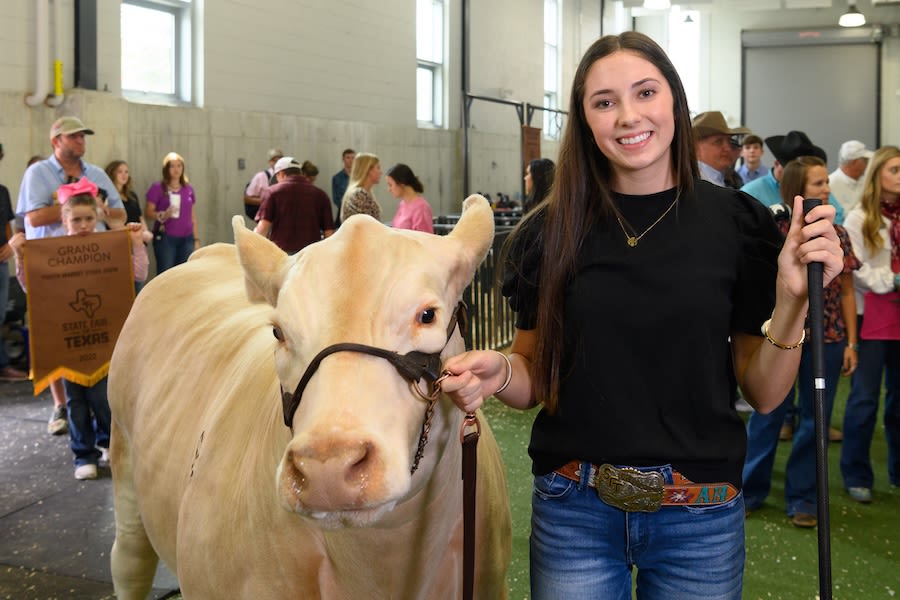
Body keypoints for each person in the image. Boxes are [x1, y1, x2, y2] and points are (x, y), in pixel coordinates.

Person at [439, 32, 841, 599]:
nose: (628, 116)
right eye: (604, 102)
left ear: (674, 102)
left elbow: (765, 392)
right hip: (574, 509)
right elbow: (532, 376)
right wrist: (501, 372)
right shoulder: (550, 233)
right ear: (585, 120)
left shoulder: (737, 225)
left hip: (700, 516)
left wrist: (794, 301)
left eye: (645, 92)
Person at [742, 156, 860, 528]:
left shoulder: (838, 234)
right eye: (817, 184)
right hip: (779, 332)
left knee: (816, 419)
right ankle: (750, 488)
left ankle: (803, 497)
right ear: (796, 191)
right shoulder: (772, 232)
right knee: (767, 414)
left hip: (827, 336)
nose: (826, 189)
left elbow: (845, 291)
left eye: (827, 182)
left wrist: (852, 341)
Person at [9, 177, 148, 480]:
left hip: (104, 341)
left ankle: (106, 443)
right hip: (68, 343)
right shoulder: (49, 252)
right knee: (76, 403)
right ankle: (82, 453)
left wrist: (136, 245)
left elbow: (137, 275)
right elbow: (32, 287)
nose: (83, 224)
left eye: (89, 218)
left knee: (103, 397)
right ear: (64, 220)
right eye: (76, 219)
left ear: (97, 217)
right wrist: (21, 256)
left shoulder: (111, 247)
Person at [17, 116, 127, 435]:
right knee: (56, 335)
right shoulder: (38, 173)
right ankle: (61, 404)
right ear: (56, 142)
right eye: (74, 137)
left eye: (83, 137)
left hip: (96, 267)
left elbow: (119, 214)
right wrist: (80, 204)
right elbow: (34, 217)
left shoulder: (97, 174)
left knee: (95, 330)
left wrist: (100, 210)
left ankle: (105, 402)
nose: (81, 141)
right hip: (53, 269)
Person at [840, 145, 900, 504]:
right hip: (870, 318)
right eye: (894, 170)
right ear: (877, 174)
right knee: (864, 400)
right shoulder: (859, 216)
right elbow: (856, 268)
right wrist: (892, 280)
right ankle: (856, 472)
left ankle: (897, 468)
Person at [741, 130, 845, 224]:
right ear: (777, 164)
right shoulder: (750, 192)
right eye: (793, 168)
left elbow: (838, 215)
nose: (797, 175)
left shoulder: (820, 191)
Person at [253, 156, 334, 253]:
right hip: (310, 256)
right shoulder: (321, 195)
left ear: (281, 173)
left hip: (281, 255)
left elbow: (262, 228)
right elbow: (329, 233)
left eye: (277, 178)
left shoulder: (272, 192)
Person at [145, 152, 200, 274]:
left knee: (183, 274)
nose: (176, 169)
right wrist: (163, 215)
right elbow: (148, 212)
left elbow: (193, 216)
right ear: (166, 169)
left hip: (187, 238)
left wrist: (196, 240)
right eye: (172, 166)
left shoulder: (188, 189)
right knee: (166, 274)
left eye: (179, 165)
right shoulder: (157, 188)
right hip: (166, 238)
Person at [0, 143, 27, 382]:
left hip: (1, 259)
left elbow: (8, 222)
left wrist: (10, 246)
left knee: (0, 314)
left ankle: (3, 364)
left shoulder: (3, 190)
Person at [691, 111, 749, 187]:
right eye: (718, 142)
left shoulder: (728, 178)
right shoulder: (693, 182)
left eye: (729, 141)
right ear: (696, 147)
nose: (728, 148)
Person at [385, 163, 434, 233]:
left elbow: (425, 239)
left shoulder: (421, 207)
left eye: (390, 185)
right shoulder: (402, 204)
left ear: (402, 184)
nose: (389, 189)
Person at [830, 140, 873, 215]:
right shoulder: (830, 183)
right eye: (865, 161)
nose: (867, 164)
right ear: (854, 162)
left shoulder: (866, 181)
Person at [340, 152, 382, 222]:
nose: (380, 172)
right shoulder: (359, 194)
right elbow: (368, 226)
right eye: (378, 167)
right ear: (368, 170)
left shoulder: (361, 192)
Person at [244, 149, 283, 220]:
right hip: (265, 217)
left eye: (279, 160)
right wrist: (267, 202)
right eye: (274, 160)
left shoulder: (287, 177)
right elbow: (247, 199)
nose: (277, 163)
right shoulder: (261, 176)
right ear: (269, 162)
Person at [331, 148, 356, 226]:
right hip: (343, 213)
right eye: (348, 157)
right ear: (343, 159)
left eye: (353, 158)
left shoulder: (359, 177)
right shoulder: (337, 178)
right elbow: (336, 199)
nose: (350, 160)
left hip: (358, 213)